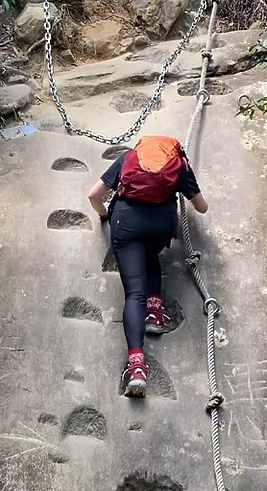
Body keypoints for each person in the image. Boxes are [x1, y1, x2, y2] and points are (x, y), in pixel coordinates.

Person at [88, 136, 208, 397]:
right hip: (160, 225)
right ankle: (154, 313)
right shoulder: (179, 164)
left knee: (133, 293)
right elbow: (202, 207)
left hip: (126, 223)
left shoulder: (129, 158)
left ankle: (137, 367)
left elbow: (94, 194)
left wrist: (103, 214)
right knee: (151, 255)